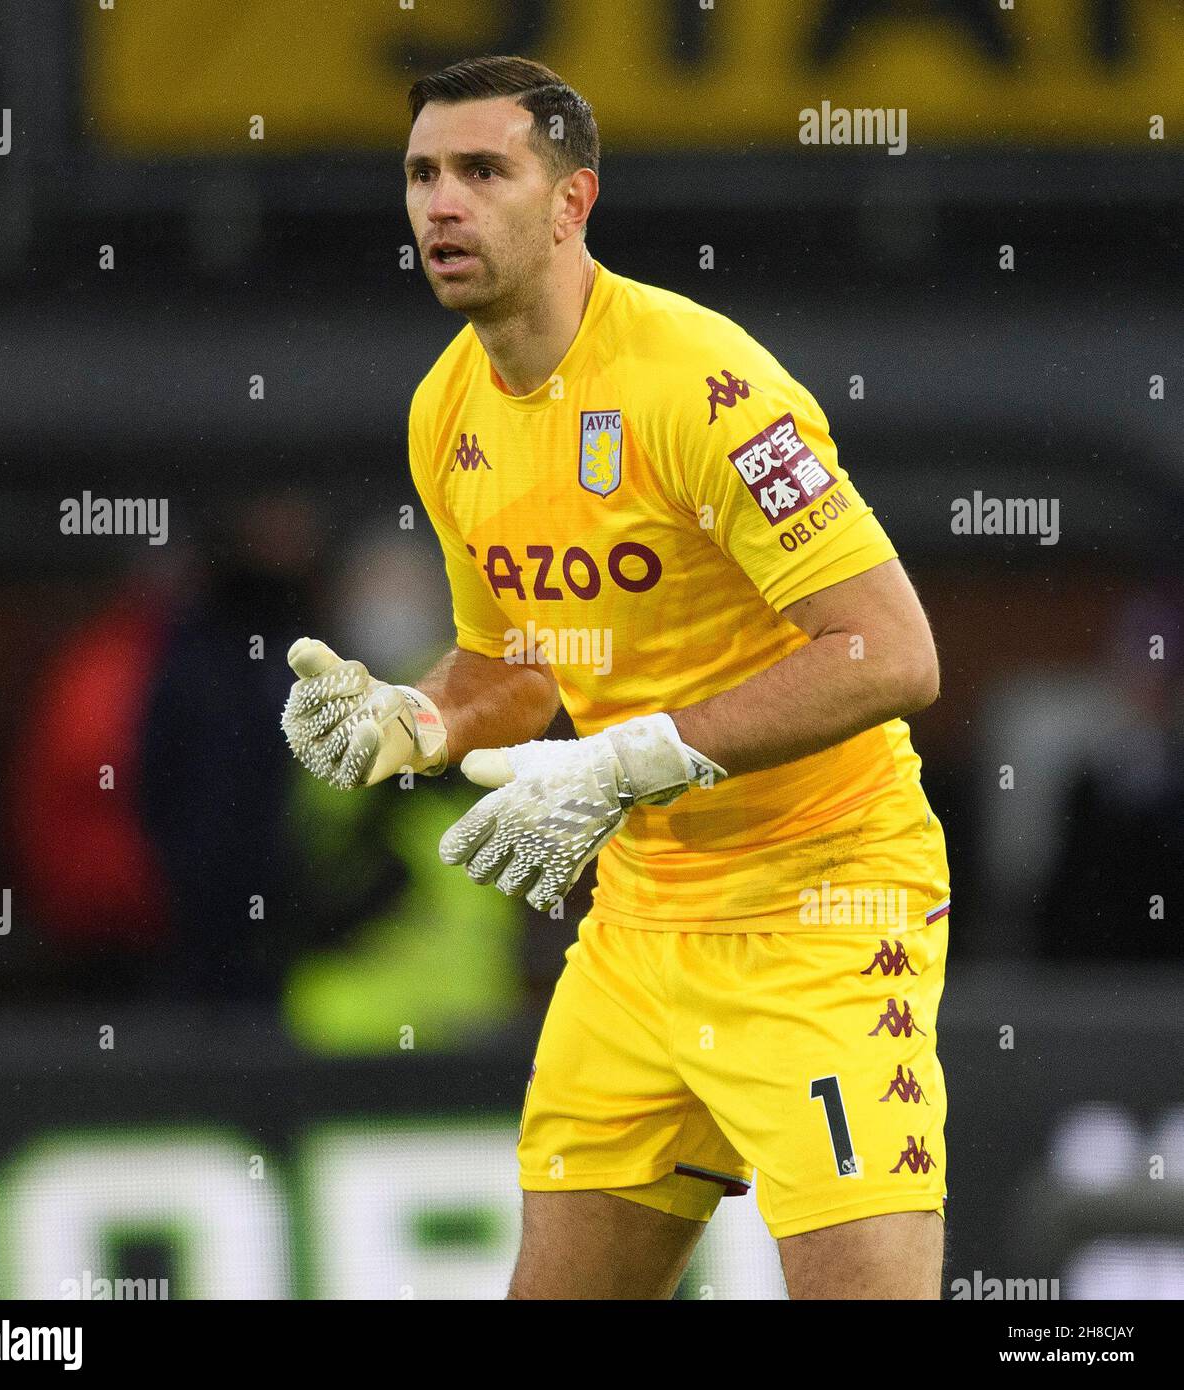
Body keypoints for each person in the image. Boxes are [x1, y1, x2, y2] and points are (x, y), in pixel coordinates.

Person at [282, 55, 949, 1300]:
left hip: (823, 908)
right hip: (639, 921)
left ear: (572, 199)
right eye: (423, 173)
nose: (442, 204)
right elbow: (518, 660)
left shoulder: (703, 385)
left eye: (484, 171)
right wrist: (409, 721)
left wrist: (632, 755)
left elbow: (891, 653)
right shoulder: (446, 413)